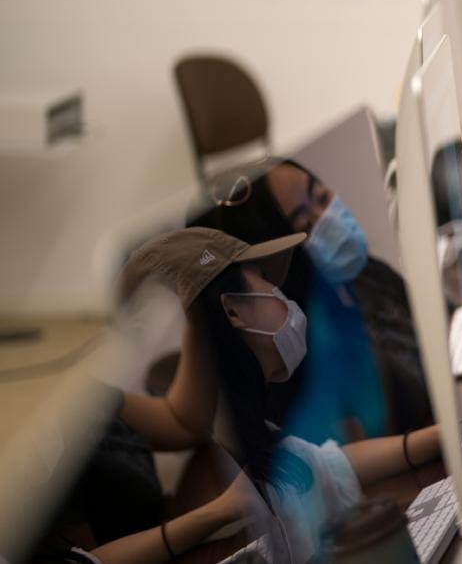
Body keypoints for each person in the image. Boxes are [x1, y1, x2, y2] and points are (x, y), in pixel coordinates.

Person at [108, 227, 442, 564]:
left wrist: (438, 437)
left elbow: (327, 465)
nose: (279, 293)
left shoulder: (265, 440)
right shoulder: (228, 476)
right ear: (232, 313)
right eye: (261, 277)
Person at [190, 158, 431, 444]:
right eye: (303, 222)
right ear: (273, 261)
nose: (326, 217)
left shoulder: (368, 274)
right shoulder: (297, 357)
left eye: (322, 197)